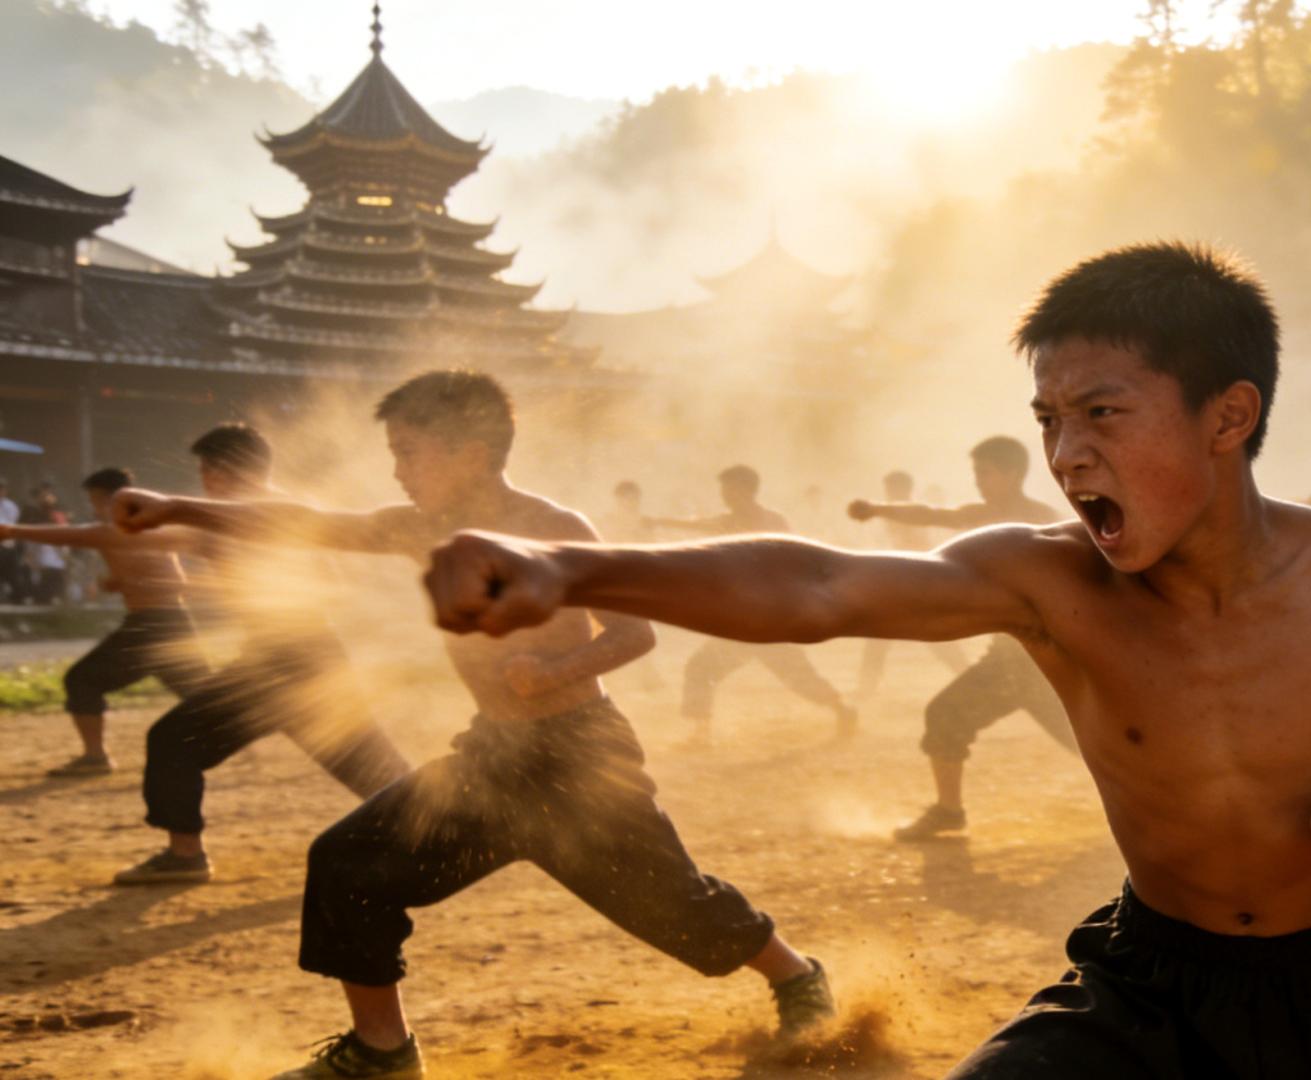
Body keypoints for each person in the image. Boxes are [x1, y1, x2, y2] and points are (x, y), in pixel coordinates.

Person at [423, 242, 1311, 1077]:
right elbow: (820, 585)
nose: (1067, 452)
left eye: (1103, 412)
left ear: (1228, 417)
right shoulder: (1047, 583)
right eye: (1049, 419)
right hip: (1152, 989)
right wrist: (571, 569)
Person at [111, 371, 832, 1080]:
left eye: (410, 451)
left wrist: (555, 671)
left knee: (675, 908)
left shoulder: (554, 529)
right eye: (393, 452)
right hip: (491, 757)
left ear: (473, 454)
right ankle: (382, 1052)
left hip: (579, 758)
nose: (397, 470)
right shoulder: (418, 528)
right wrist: (181, 507)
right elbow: (307, 523)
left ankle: (797, 977)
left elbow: (634, 633)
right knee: (347, 863)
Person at [107, 423, 412, 887]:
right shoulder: (223, 518)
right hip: (298, 658)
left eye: (210, 468)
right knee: (366, 761)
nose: (205, 477)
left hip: (289, 659)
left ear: (228, 470)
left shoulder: (279, 509)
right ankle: (440, 829)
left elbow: (327, 574)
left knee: (174, 741)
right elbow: (114, 537)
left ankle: (184, 855)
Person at [846, 441, 1075, 841]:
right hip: (1007, 660)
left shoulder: (1045, 522)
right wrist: (879, 510)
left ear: (1012, 475)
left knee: (1095, 744)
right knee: (946, 716)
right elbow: (935, 514)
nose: (979, 482)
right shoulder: (983, 516)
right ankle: (949, 811)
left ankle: (1168, 803)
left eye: (986, 473)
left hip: (1050, 661)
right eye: (977, 473)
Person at [0, 467, 212, 776]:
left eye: (95, 501)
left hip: (151, 625)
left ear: (110, 499)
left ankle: (95, 757)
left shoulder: (121, 528)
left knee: (82, 680)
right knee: (205, 695)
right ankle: (274, 726)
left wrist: (12, 531)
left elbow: (73, 535)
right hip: (171, 622)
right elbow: (172, 577)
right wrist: (119, 581)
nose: (94, 509)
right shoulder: (145, 526)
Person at [651, 465, 856, 745]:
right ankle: (701, 734)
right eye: (723, 489)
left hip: (771, 619)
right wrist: (660, 521)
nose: (724, 495)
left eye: (729, 489)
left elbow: (798, 560)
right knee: (702, 668)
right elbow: (700, 524)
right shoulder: (729, 521)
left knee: (798, 676)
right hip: (745, 620)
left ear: (746, 490)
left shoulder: (773, 522)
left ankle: (842, 709)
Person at [850, 469, 970, 701]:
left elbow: (921, 547)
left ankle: (973, 679)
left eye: (894, 489)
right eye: (889, 489)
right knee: (878, 639)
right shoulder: (890, 514)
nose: (890, 493)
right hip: (900, 583)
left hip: (916, 583)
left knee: (939, 640)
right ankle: (866, 688)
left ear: (905, 489)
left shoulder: (910, 514)